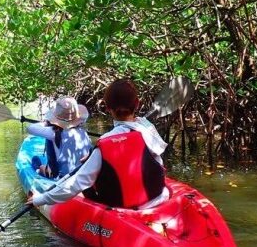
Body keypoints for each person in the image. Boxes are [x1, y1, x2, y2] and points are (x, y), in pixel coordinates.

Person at [27, 79, 169, 209]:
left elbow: (77, 183)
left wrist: (40, 199)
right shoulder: (148, 128)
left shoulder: (106, 142)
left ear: (107, 108)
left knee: (90, 182)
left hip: (123, 204)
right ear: (138, 103)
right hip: (159, 195)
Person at [26, 96, 92, 179]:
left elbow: (29, 128)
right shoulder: (82, 131)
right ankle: (45, 169)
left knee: (36, 160)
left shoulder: (53, 132)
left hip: (63, 177)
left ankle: (41, 170)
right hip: (83, 172)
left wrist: (46, 123)